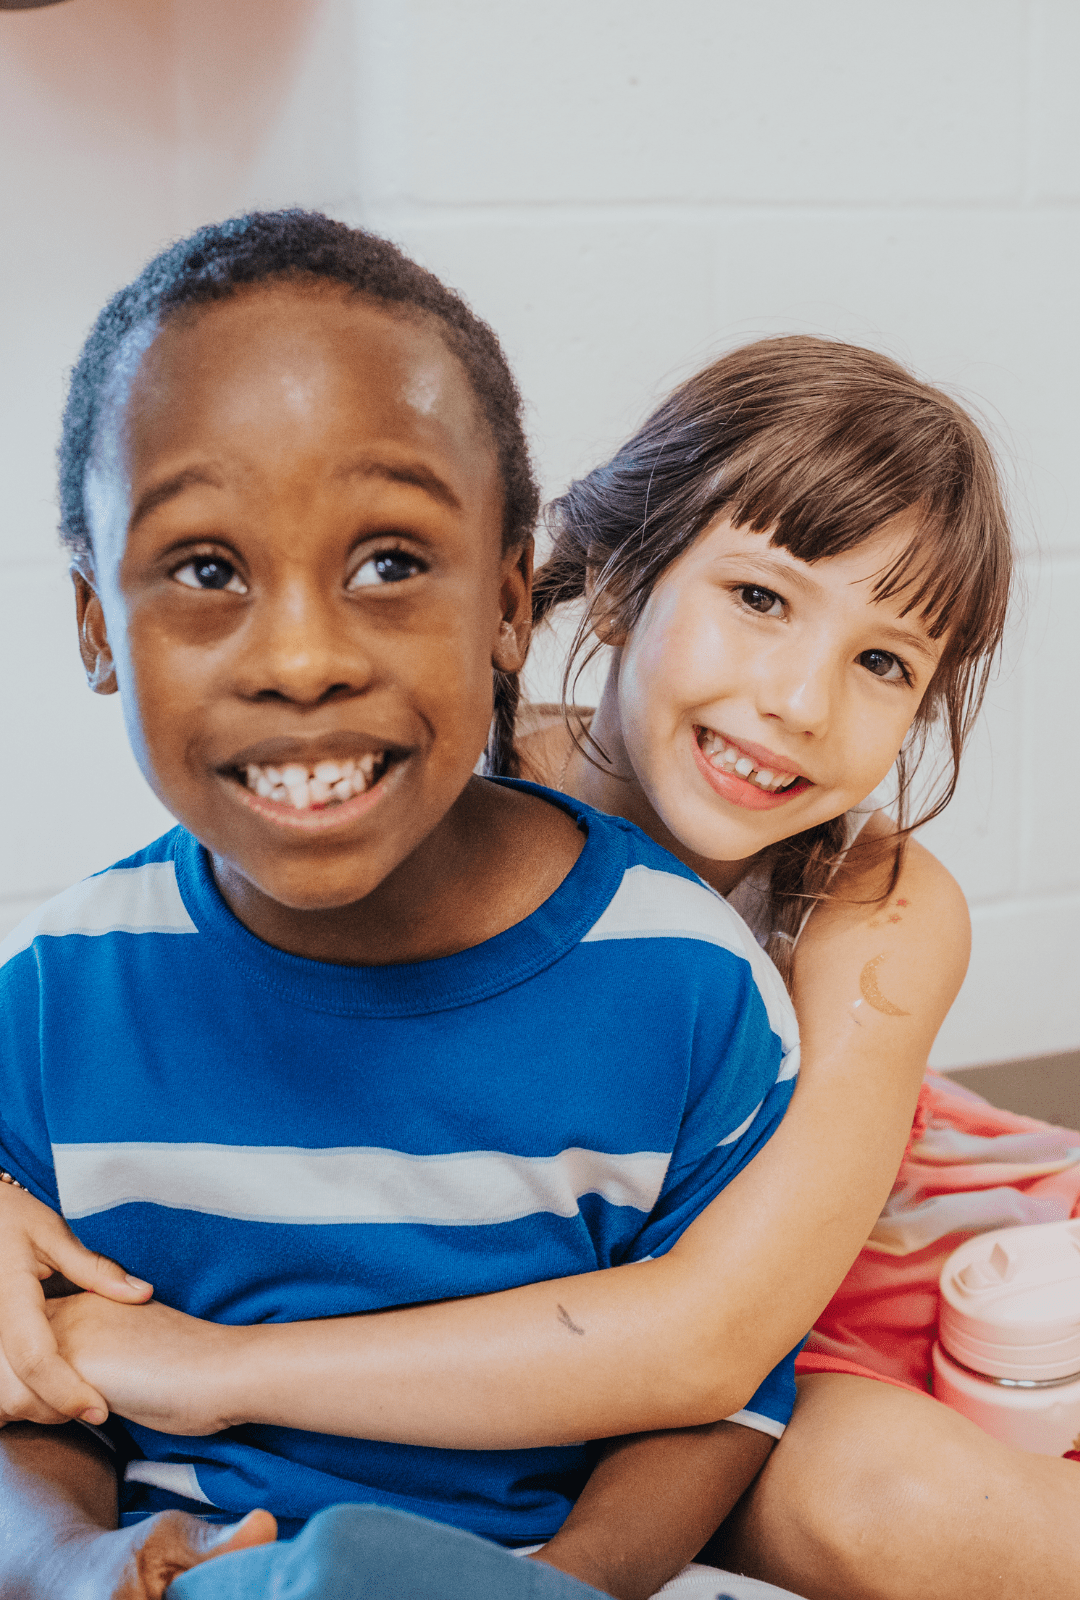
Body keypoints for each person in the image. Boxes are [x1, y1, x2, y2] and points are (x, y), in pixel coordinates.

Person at [3, 306, 1074, 1597]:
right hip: (547, 1279)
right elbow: (188, 1024)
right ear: (615, 579)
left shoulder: (874, 904)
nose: (800, 701)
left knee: (905, 1503)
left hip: (787, 1285)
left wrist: (207, 1366)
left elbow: (713, 1338)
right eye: (756, 598)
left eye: (884, 661)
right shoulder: (443, 773)